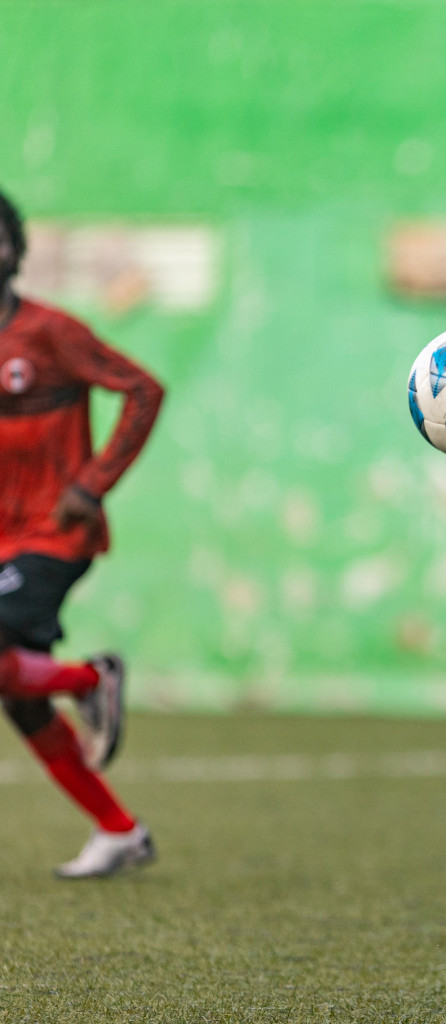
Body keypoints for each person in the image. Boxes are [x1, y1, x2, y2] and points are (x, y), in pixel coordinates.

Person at [0, 188, 164, 878]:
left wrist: (92, 484)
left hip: (53, 531)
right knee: (20, 698)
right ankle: (119, 829)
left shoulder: (51, 332)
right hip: (5, 539)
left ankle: (92, 678)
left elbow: (143, 389)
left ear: (14, 250)